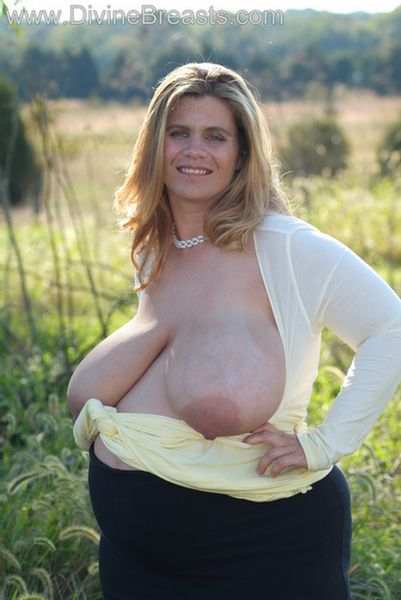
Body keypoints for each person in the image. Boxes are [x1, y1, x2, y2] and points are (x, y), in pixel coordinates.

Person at [67, 62, 401, 600]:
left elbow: (391, 326)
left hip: (262, 555)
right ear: (154, 145)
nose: (194, 150)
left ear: (242, 154)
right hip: (137, 567)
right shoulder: (158, 247)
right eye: (179, 132)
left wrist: (324, 444)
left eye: (215, 136)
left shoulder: (285, 247)